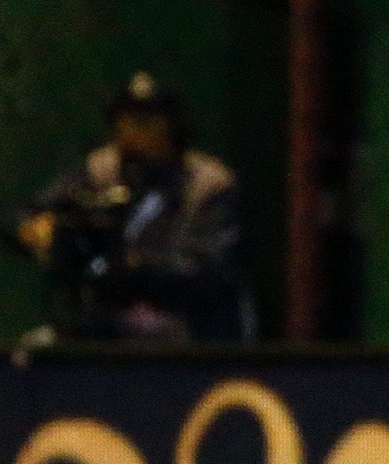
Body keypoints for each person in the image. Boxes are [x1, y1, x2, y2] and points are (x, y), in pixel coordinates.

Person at [13, 72, 248, 342]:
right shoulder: (100, 170)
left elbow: (205, 271)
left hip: (187, 326)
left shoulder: (207, 182)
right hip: (105, 323)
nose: (138, 130)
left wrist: (133, 267)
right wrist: (39, 229)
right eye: (129, 120)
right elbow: (26, 216)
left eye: (149, 120)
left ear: (173, 124)